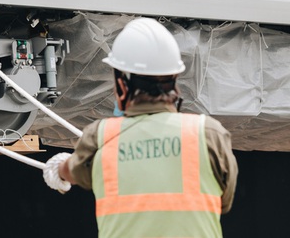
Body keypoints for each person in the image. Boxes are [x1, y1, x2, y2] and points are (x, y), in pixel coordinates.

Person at [43, 17, 238, 238]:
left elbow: (72, 171)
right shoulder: (209, 135)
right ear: (174, 77)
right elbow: (223, 202)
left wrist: (58, 168)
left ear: (122, 83)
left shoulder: (101, 137)